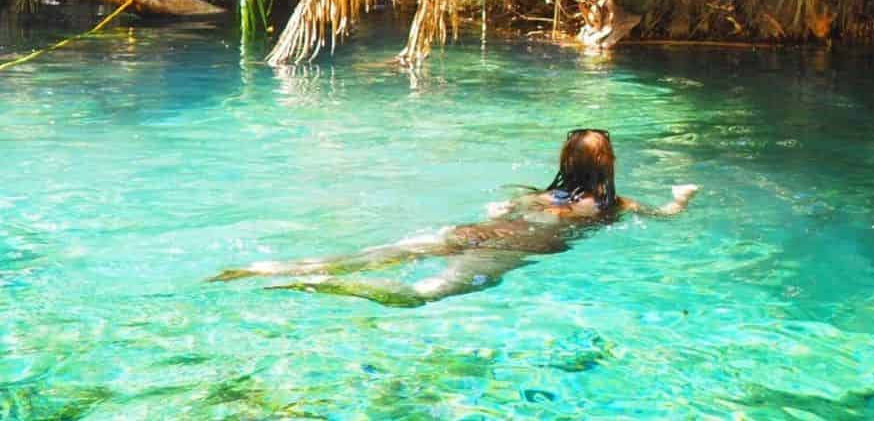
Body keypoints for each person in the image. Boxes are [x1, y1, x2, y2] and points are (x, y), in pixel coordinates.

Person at [208, 129, 698, 307]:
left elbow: (498, 208)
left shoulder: (533, 195)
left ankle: (272, 268)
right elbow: (667, 215)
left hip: (475, 231)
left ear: (564, 162)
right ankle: (321, 285)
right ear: (607, 166)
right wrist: (682, 196)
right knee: (425, 295)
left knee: (369, 255)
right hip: (509, 249)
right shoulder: (611, 207)